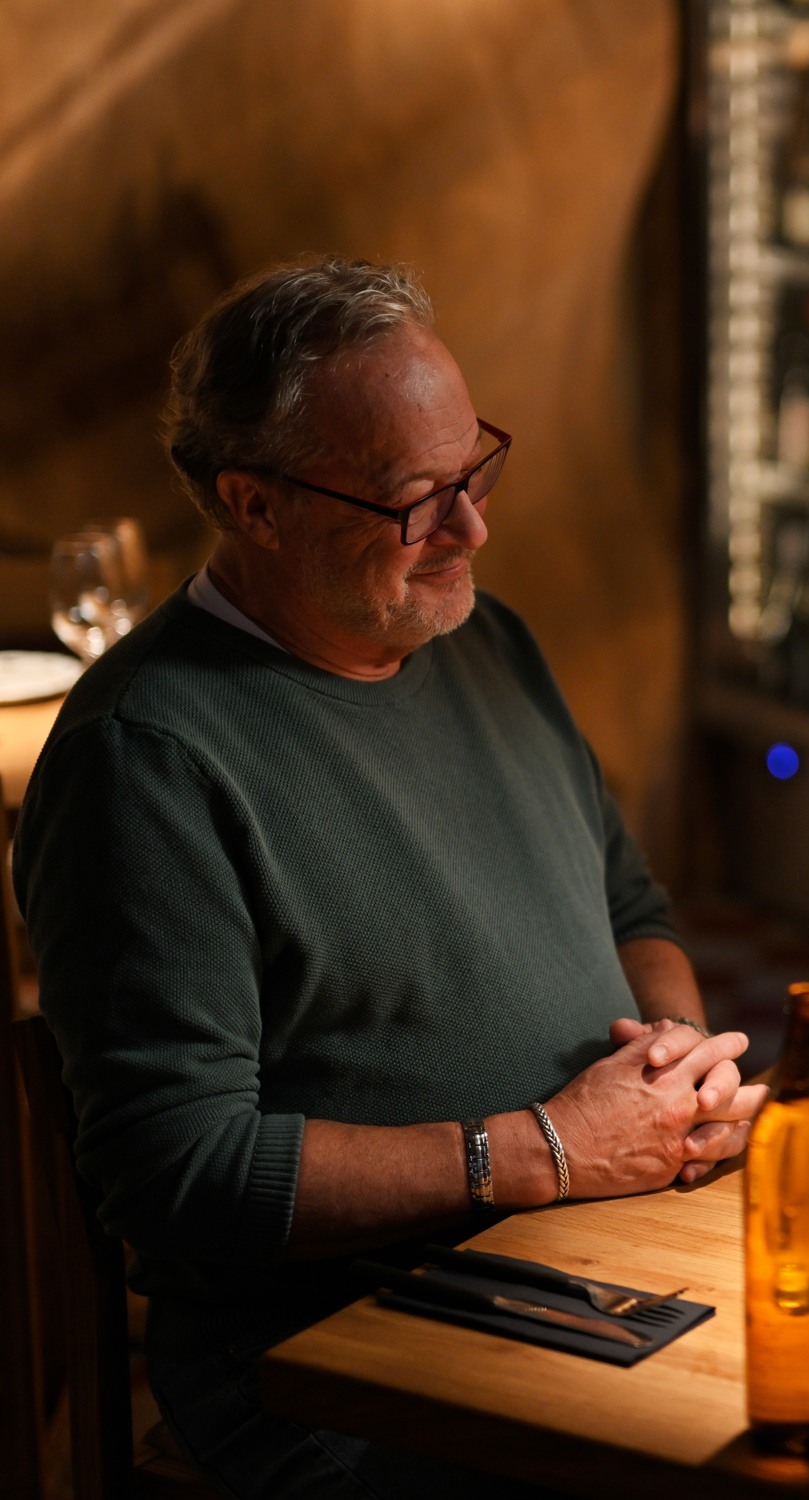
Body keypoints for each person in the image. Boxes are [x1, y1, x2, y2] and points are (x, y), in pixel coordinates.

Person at [12, 257, 766, 1499]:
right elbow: (183, 1174)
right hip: (341, 1361)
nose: (472, 527)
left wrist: (672, 1060)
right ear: (252, 505)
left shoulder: (483, 637)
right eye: (416, 498)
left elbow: (631, 910)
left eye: (473, 470)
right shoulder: (142, 759)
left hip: (607, 1249)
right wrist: (545, 1150)